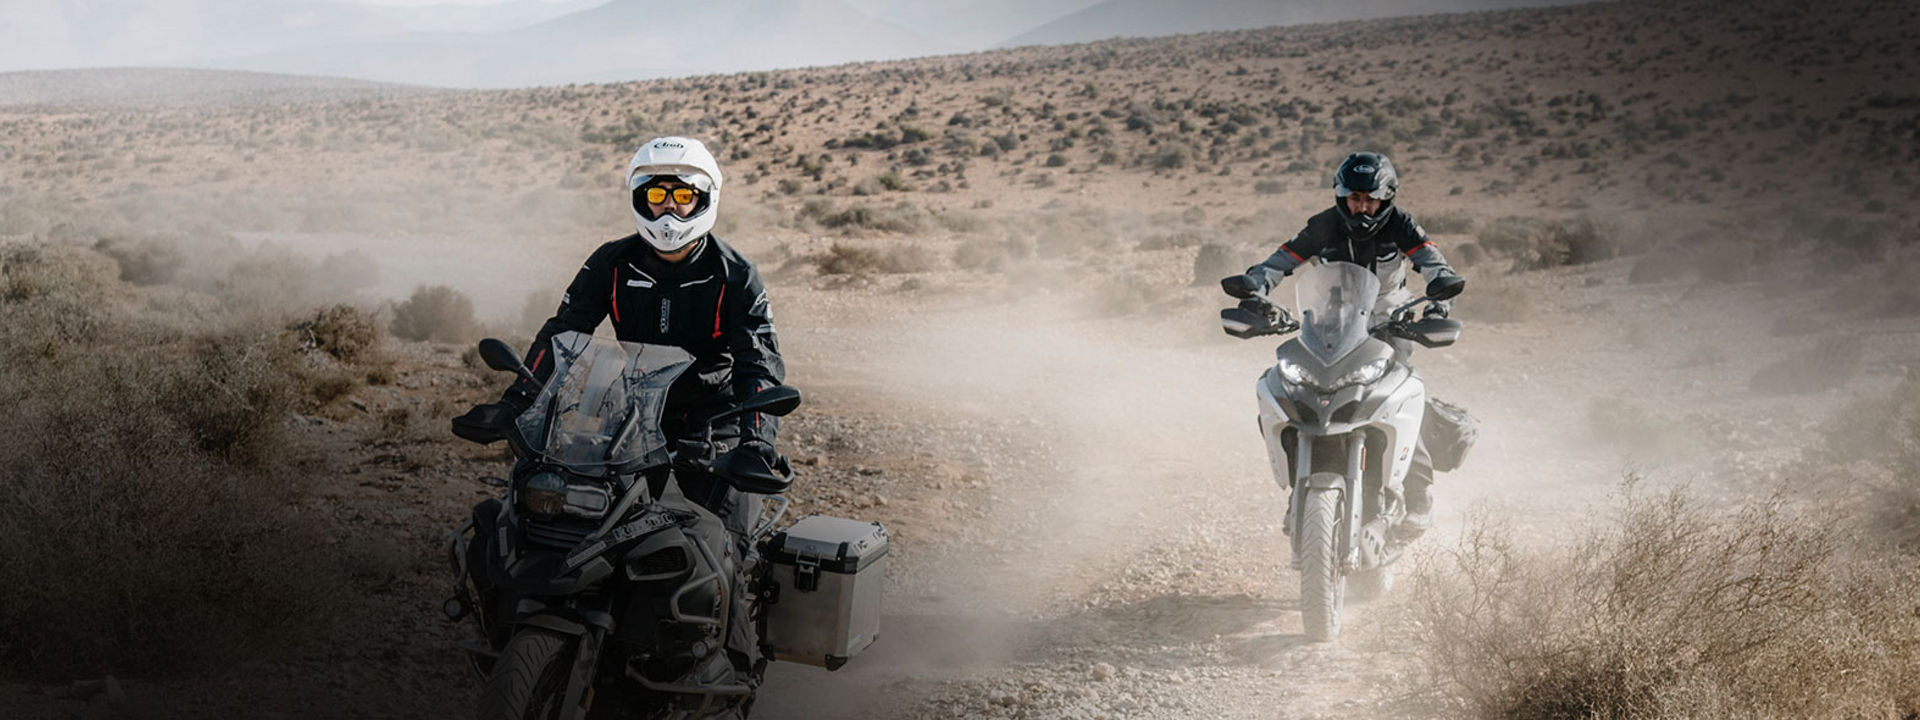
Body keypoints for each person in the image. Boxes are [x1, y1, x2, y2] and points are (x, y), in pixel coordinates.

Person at [452, 135, 786, 674]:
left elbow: (759, 367)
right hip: (632, 417)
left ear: (706, 199)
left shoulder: (735, 275)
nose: (668, 210)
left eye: (682, 198)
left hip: (714, 425)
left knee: (724, 546)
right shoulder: (612, 261)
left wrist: (755, 441)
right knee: (584, 527)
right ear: (637, 197)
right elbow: (562, 332)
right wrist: (516, 401)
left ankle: (735, 676)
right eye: (656, 197)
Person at [1220, 151, 1462, 538]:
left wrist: (1437, 305)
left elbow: (1436, 267)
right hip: (1330, 326)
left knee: (1400, 400)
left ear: (1386, 198)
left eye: (1371, 200)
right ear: (1341, 196)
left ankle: (1419, 495)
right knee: (1289, 393)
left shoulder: (1401, 226)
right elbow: (1280, 261)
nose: (1363, 208)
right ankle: (1300, 484)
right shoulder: (1324, 225)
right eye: (1355, 199)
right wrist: (1255, 289)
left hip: (1388, 327)